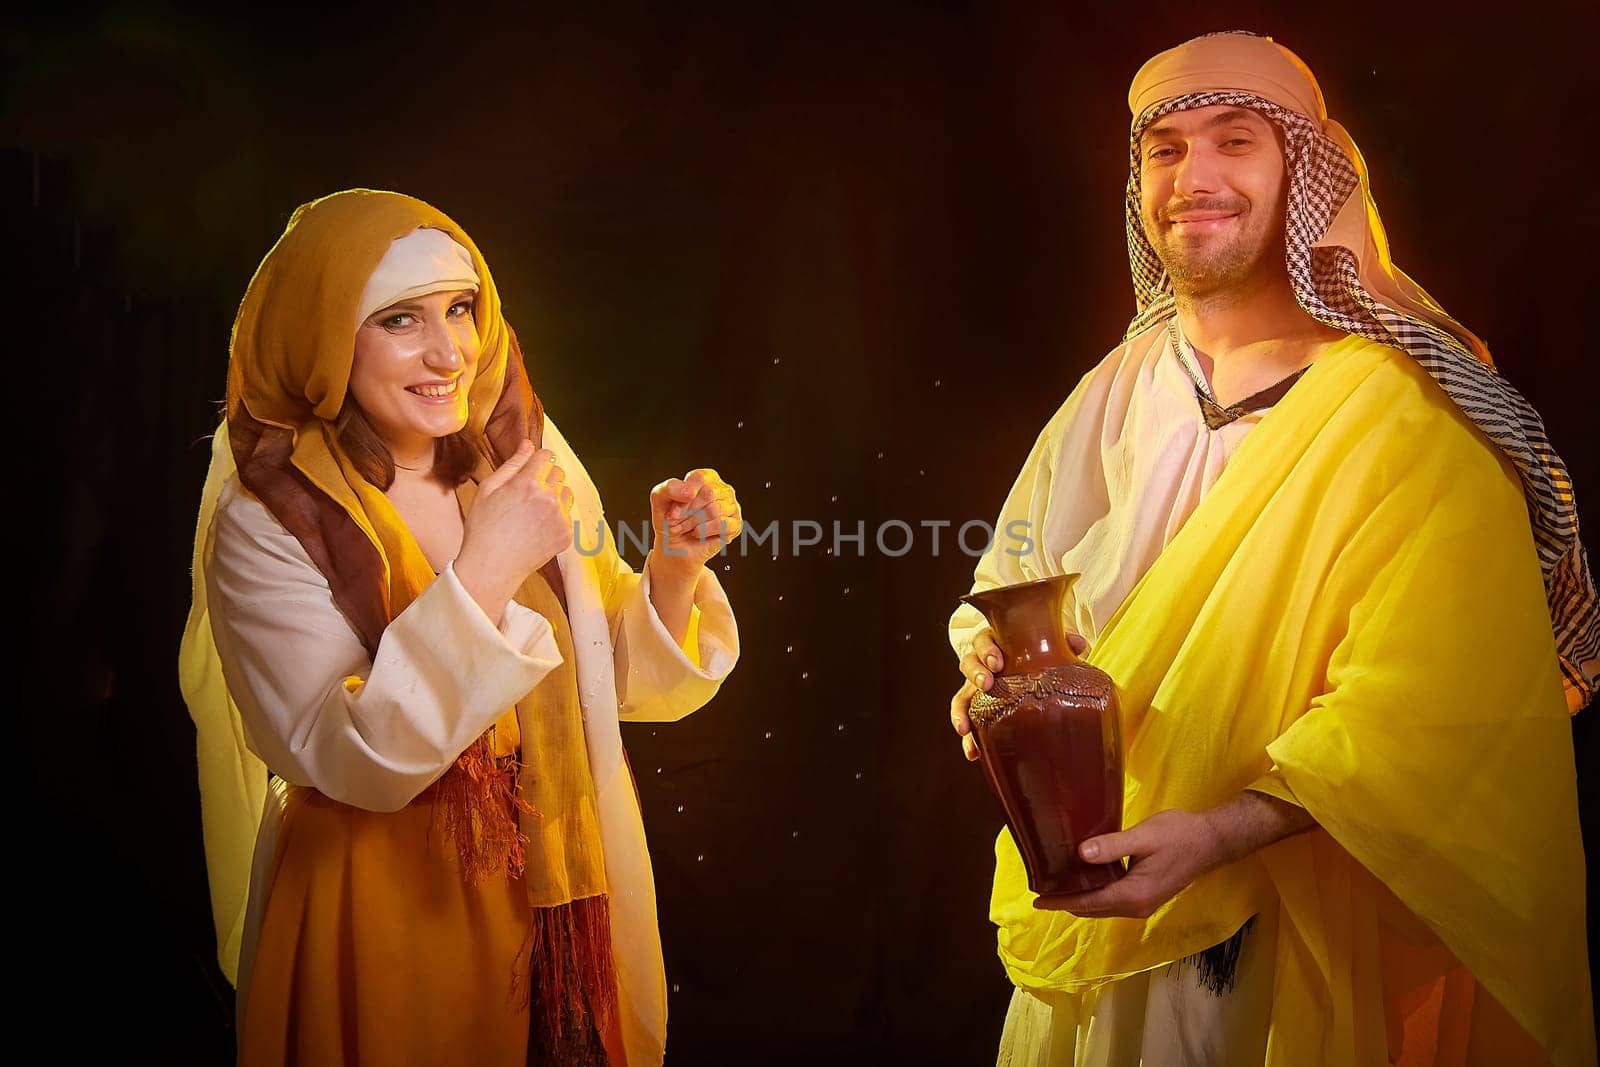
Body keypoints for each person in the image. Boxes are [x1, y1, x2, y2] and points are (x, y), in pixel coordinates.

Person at [947, 31, 1596, 1067]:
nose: (1192, 177)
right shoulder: (1119, 385)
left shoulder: (1402, 410)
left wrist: (1218, 833)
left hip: (1281, 929)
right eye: (1164, 149)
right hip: (1088, 916)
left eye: (1234, 141)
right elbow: (1013, 585)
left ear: (1303, 170)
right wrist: (984, 672)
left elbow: (1428, 703)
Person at [178, 188, 742, 1066]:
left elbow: (600, 681)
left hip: (555, 899)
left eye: (461, 307)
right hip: (384, 911)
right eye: (400, 320)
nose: (450, 350)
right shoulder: (266, 516)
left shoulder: (520, 454)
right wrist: (484, 569)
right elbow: (351, 759)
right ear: (324, 337)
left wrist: (673, 568)